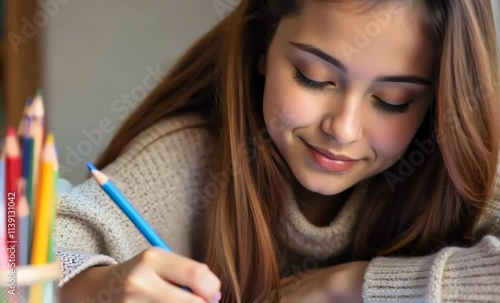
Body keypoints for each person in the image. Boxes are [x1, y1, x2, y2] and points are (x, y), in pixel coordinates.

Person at [56, 0, 500, 302]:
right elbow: (18, 259)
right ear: (262, 47)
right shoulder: (193, 158)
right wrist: (96, 286)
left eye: (393, 101)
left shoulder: (460, 168)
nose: (342, 129)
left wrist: (349, 286)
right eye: (313, 76)